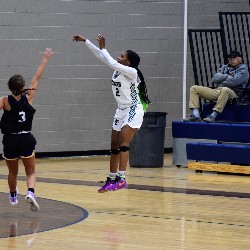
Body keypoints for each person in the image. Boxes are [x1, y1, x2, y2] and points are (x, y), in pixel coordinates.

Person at [73, 34, 150, 192]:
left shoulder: (132, 72)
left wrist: (104, 47)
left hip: (133, 109)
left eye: (122, 56)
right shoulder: (117, 69)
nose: (118, 57)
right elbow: (103, 57)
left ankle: (122, 178)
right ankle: (111, 178)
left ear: (128, 62)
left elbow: (110, 60)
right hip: (120, 109)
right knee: (113, 145)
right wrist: (85, 41)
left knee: (123, 141)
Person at [0, 48, 53, 211]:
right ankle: (30, 192)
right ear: (23, 86)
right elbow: (37, 77)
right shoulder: (28, 96)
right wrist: (45, 59)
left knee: (12, 172)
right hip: (25, 138)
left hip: (10, 139)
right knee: (30, 171)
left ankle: (13, 195)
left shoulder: (4, 100)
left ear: (9, 87)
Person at [184, 50, 249, 122]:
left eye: (234, 57)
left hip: (234, 93)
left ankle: (213, 115)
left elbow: (233, 82)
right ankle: (196, 115)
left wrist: (221, 81)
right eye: (230, 57)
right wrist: (227, 75)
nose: (232, 59)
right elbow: (214, 79)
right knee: (194, 88)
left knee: (225, 89)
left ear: (240, 59)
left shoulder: (243, 69)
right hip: (218, 90)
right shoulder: (224, 67)